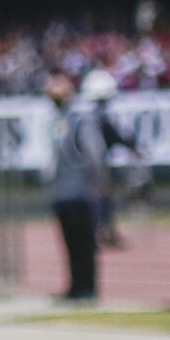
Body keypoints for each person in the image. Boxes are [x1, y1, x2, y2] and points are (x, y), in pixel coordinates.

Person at [43, 71, 105, 303]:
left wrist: (96, 185)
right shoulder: (56, 120)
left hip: (80, 192)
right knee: (69, 243)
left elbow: (95, 154)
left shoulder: (80, 119)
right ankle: (74, 286)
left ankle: (87, 288)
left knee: (84, 243)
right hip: (61, 193)